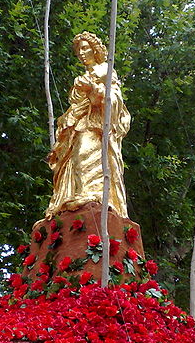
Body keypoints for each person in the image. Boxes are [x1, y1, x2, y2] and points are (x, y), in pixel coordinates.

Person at [44, 31, 131, 219]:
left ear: (95, 50)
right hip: (79, 124)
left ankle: (94, 195)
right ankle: (80, 195)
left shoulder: (105, 71)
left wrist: (93, 89)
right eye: (78, 50)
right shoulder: (81, 78)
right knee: (74, 160)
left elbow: (114, 101)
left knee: (85, 154)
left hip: (97, 125)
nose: (81, 53)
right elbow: (76, 103)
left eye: (85, 48)